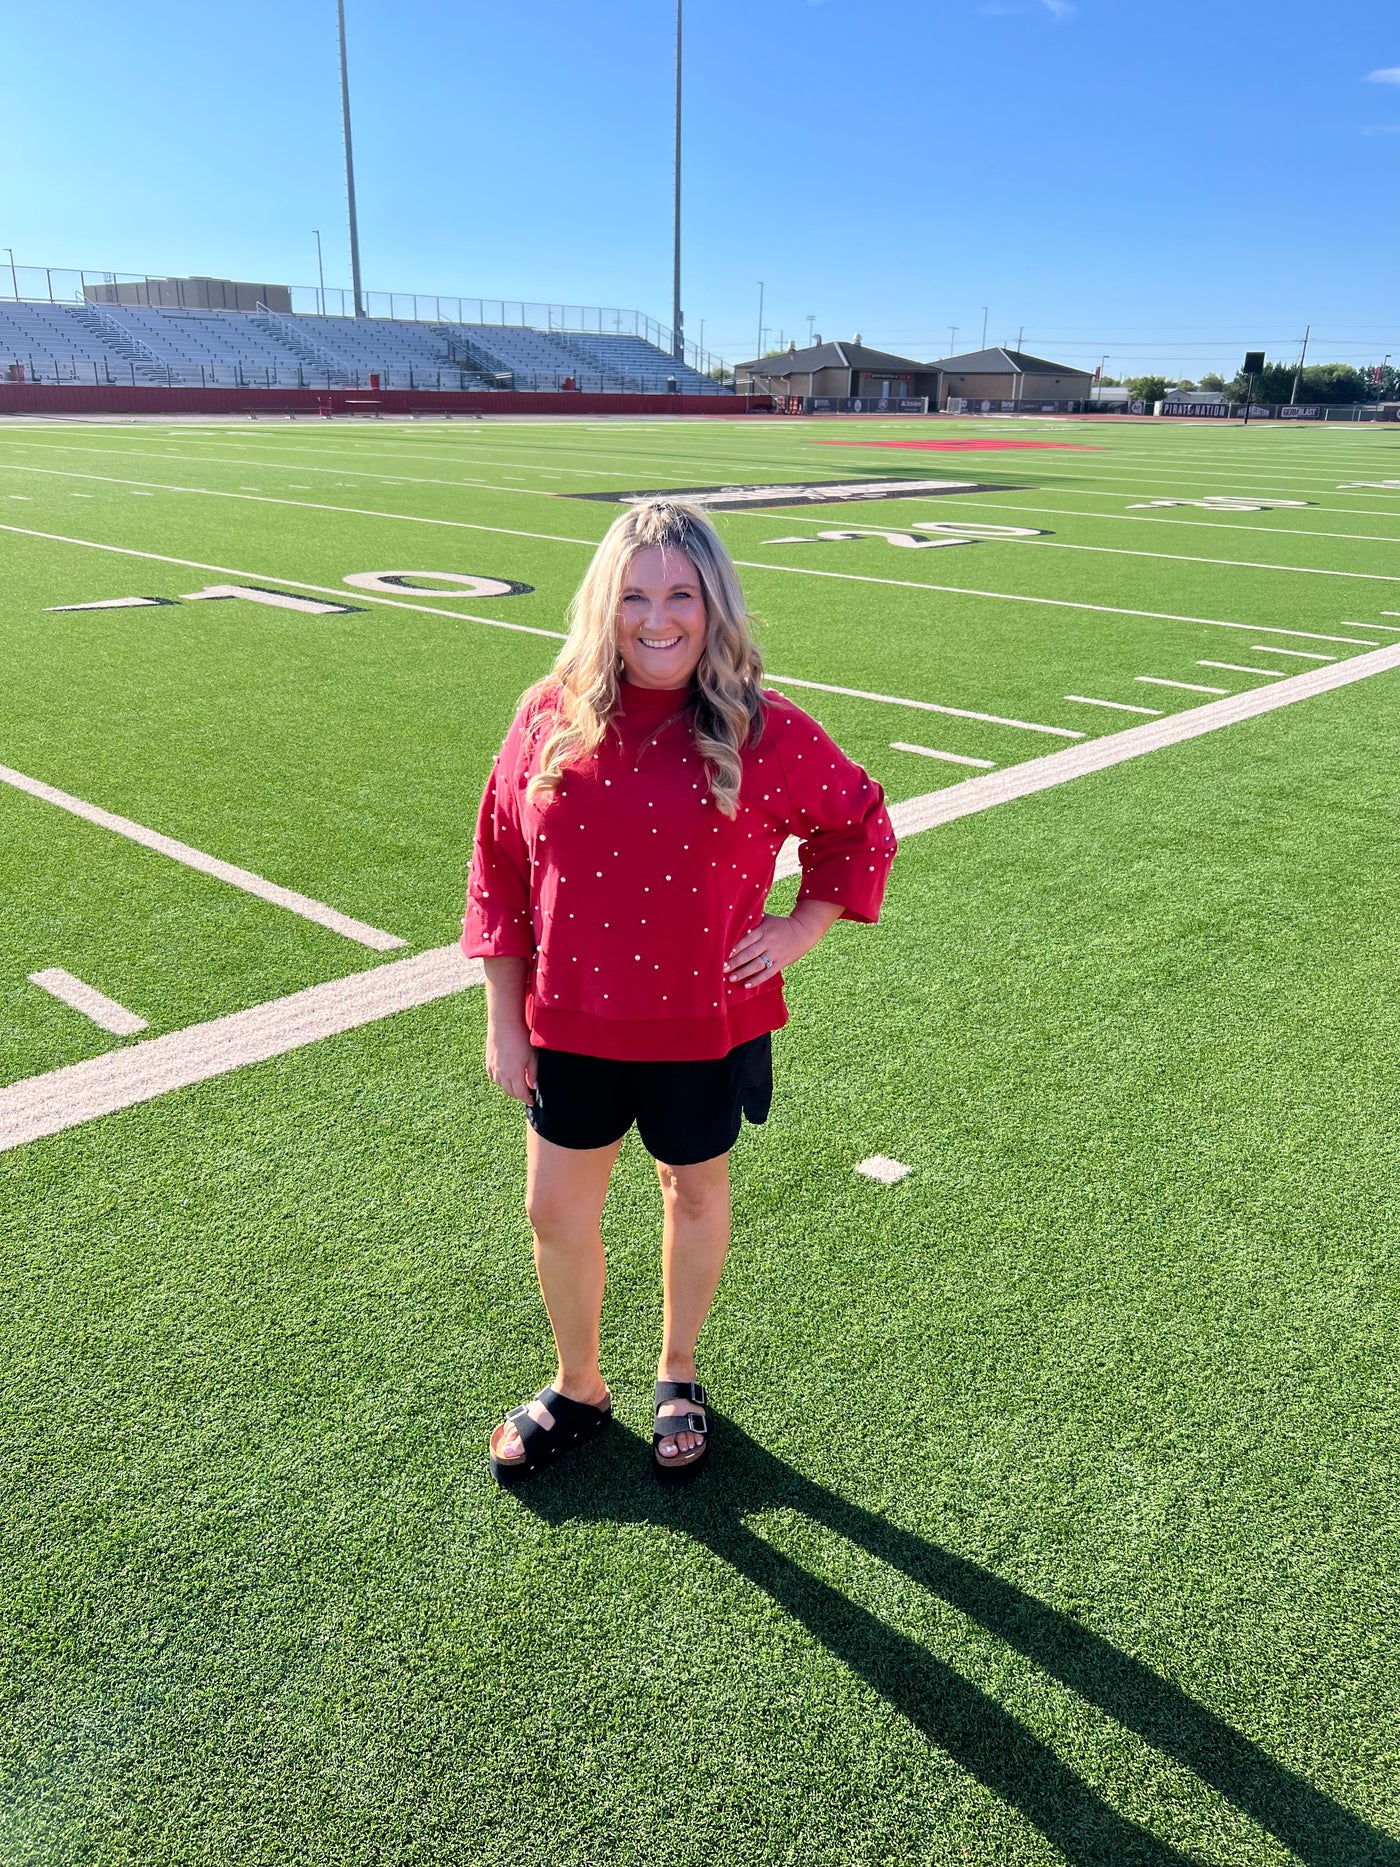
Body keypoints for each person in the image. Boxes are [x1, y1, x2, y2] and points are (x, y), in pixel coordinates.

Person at [464, 498, 895, 1483]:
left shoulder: (762, 729)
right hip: (568, 1022)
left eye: (679, 595)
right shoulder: (546, 712)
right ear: (601, 606)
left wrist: (800, 925)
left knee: (690, 1192)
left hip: (704, 1027)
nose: (656, 618)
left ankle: (676, 1371)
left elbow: (858, 825)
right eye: (632, 596)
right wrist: (502, 1016)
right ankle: (578, 1385)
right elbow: (495, 864)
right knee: (553, 1213)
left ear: (713, 604)